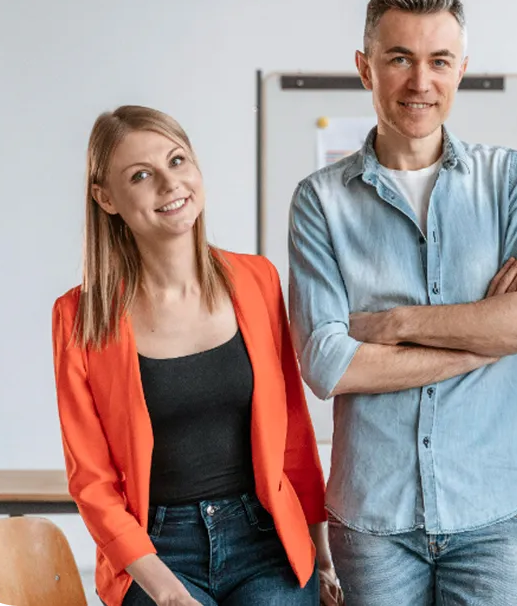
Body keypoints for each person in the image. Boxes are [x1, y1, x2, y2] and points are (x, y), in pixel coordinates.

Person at [286, 0, 517, 605]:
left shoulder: (509, 180)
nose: (421, 82)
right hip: (373, 519)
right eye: (399, 59)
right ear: (366, 69)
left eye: (439, 61)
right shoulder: (320, 202)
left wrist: (393, 325)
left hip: (490, 513)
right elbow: (328, 362)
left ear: (461, 70)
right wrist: (484, 338)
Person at [51, 106, 340, 606]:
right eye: (141, 175)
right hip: (156, 550)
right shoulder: (79, 317)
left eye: (178, 160)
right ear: (106, 198)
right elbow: (92, 481)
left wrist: (320, 552)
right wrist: (164, 591)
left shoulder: (256, 281)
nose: (170, 183)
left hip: (265, 539)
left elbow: (292, 429)